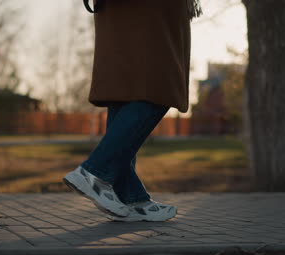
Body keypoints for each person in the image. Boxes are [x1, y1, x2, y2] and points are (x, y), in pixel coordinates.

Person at [63, 0, 202, 222]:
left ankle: (130, 197)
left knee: (124, 89)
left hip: (123, 10)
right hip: (148, 9)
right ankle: (95, 172)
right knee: (159, 86)